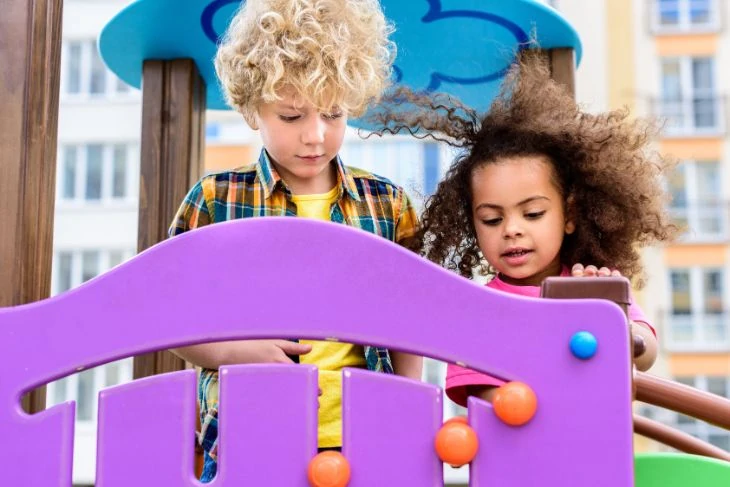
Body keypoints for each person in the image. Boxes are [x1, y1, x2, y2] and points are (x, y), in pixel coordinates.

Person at [167, 0, 422, 480]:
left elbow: (414, 315)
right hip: (250, 426)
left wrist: (409, 406)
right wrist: (230, 351)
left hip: (364, 434)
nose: (316, 136)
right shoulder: (215, 199)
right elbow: (172, 313)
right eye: (291, 116)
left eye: (333, 113)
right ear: (250, 109)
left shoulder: (386, 204)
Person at [372, 52, 675, 407]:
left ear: (570, 215)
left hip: (595, 457)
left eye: (532, 214)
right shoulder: (479, 308)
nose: (512, 230)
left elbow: (645, 352)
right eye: (492, 219)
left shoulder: (595, 286)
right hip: (516, 459)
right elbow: (485, 401)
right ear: (472, 224)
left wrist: (608, 319)